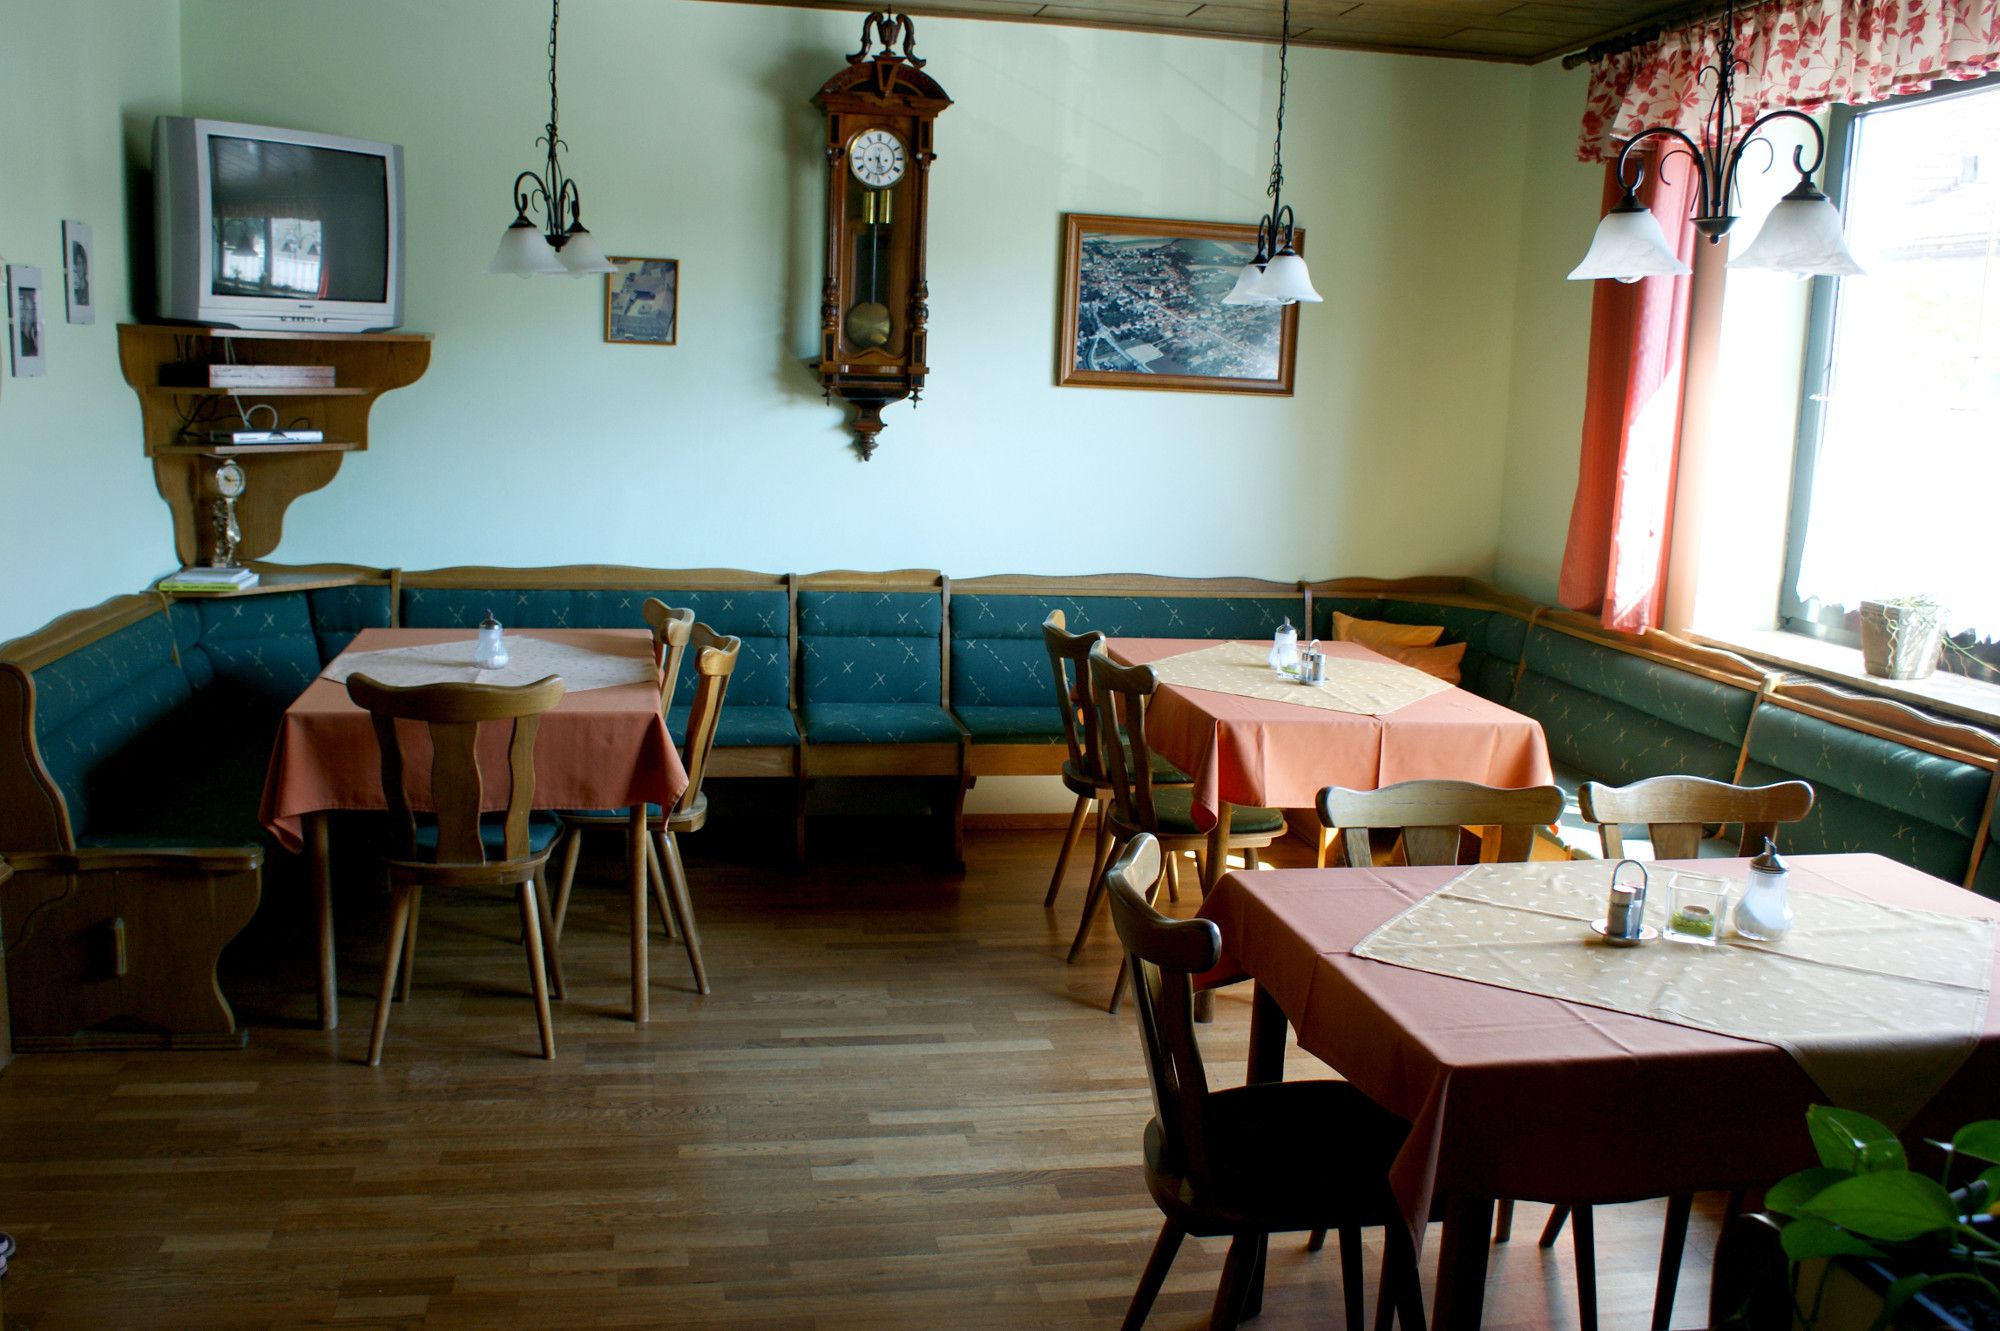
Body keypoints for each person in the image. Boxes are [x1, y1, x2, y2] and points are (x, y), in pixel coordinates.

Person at [69, 241, 89, 309]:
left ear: (84, 265)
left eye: (79, 263)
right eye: (76, 264)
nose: (77, 268)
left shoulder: (88, 291)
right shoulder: (74, 292)